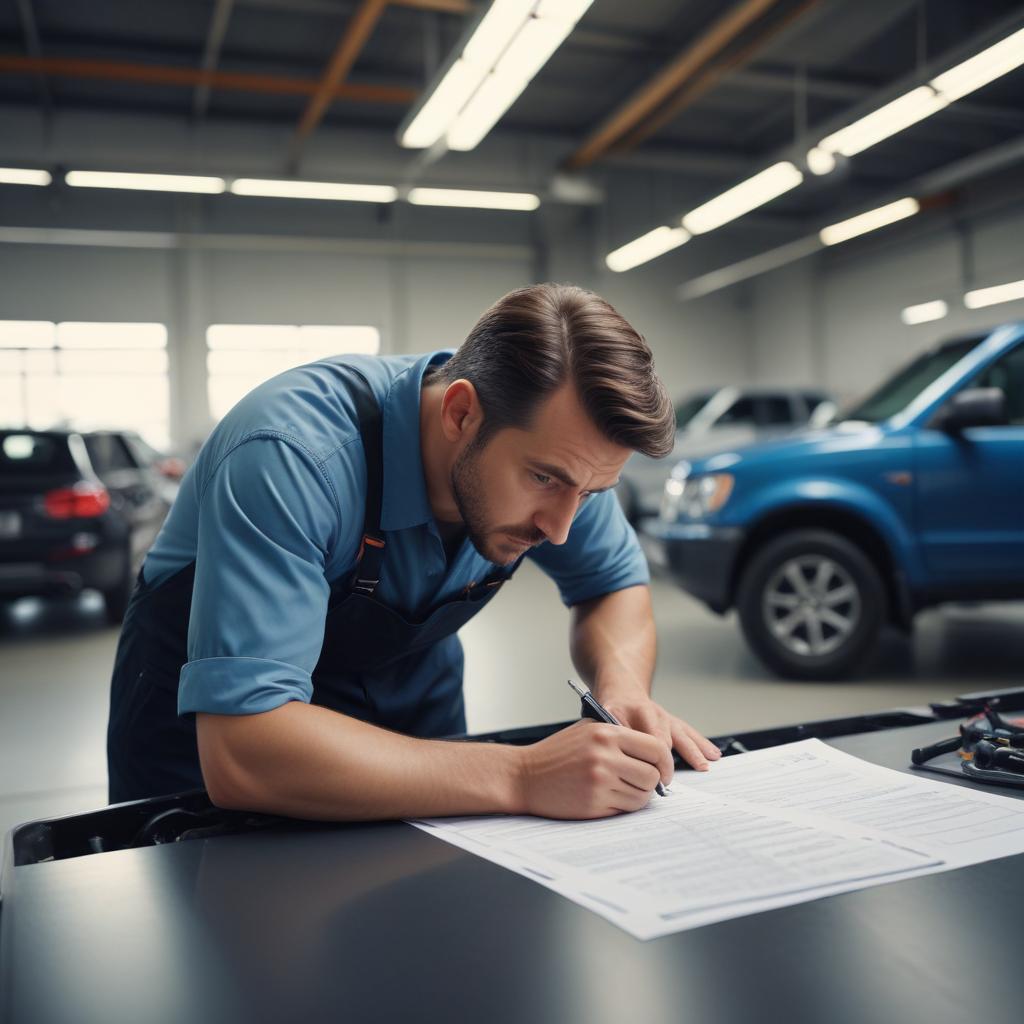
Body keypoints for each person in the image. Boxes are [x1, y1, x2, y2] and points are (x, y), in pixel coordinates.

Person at [106, 283, 720, 820]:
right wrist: (521, 775)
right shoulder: (291, 454)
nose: (561, 528)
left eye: (589, 494)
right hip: (206, 751)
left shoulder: (567, 459)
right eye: (543, 479)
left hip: (412, 707)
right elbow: (245, 749)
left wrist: (622, 689)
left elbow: (611, 584)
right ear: (461, 412)